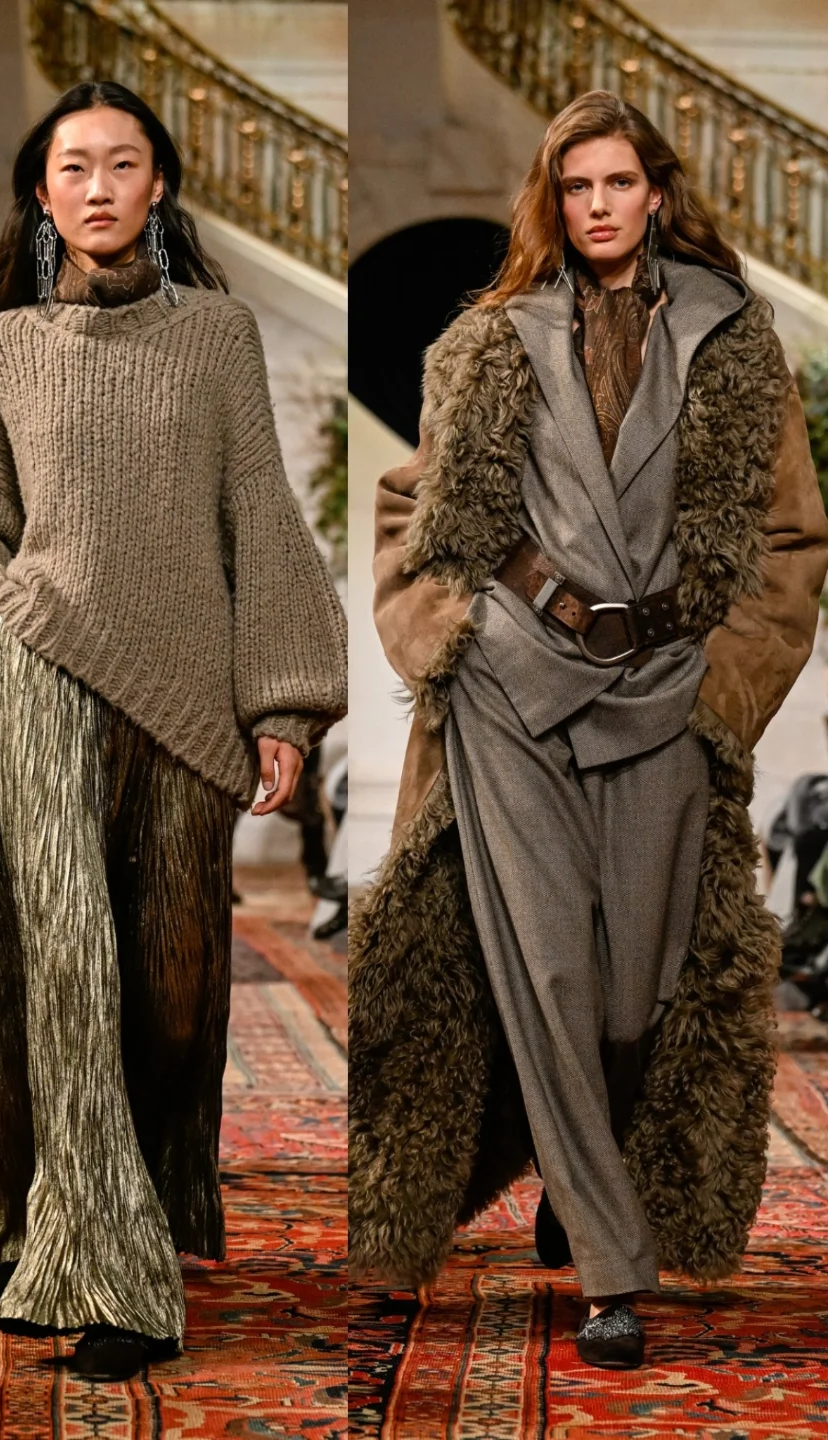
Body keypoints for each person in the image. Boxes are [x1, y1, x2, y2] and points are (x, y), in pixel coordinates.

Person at [349, 88, 828, 1369]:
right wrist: (449, 638)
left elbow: (789, 540)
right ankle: (614, 1272)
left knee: (637, 993)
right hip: (515, 681)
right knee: (551, 972)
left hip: (668, 684)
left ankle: (580, 1172)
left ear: (657, 194)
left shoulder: (733, 342)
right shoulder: (491, 340)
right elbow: (409, 505)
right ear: (551, 204)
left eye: (619, 182)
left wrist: (727, 692)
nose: (599, 205)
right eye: (576, 187)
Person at [0, 81, 347, 1381]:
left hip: (188, 704)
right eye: (73, 166)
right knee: (67, 977)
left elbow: (261, 515)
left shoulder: (219, 337)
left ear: (160, 185)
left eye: (123, 163)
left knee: (174, 988)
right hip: (46, 682)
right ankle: (113, 1276)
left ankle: (79, 1206)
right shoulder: (5, 348)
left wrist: (282, 703)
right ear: (41, 195)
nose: (97, 186)